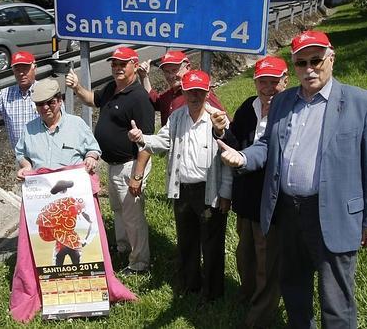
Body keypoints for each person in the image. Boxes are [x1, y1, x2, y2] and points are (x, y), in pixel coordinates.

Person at [218, 31, 367, 328]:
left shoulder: (362, 103)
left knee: (336, 299)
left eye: (316, 60)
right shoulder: (283, 101)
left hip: (332, 213)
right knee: (294, 288)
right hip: (287, 212)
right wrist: (243, 158)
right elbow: (267, 144)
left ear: (331, 59)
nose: (309, 68)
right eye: (301, 62)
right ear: (294, 66)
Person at [9, 77, 136, 322]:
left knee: (81, 247)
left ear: (60, 101)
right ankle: (49, 291)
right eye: (39, 105)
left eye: (49, 103)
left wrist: (90, 158)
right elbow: (22, 156)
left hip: (74, 199)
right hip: (43, 201)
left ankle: (87, 291)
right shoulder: (29, 129)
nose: (45, 108)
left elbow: (93, 149)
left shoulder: (77, 124)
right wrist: (24, 168)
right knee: (45, 247)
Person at [128, 70, 232, 300]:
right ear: (183, 92)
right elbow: (161, 142)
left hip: (209, 190)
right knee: (186, 241)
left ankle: (213, 293)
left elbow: (227, 159)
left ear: (208, 92)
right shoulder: (177, 117)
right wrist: (142, 138)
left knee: (212, 244)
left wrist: (225, 192)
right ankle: (189, 285)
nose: (195, 96)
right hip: (183, 190)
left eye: (200, 91)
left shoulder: (217, 118)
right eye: (190, 91)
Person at [212, 56, 289, 328]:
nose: (268, 87)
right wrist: (221, 131)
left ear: (285, 81)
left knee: (267, 261)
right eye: (262, 82)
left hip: (273, 200)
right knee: (245, 255)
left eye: (274, 81)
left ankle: (260, 316)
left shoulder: (291, 109)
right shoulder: (249, 106)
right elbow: (235, 144)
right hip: (245, 198)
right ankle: (247, 294)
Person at [65, 47, 155, 275]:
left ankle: (139, 263)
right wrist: (76, 87)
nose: (117, 68)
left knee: (133, 217)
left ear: (134, 64)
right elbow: (92, 100)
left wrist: (137, 176)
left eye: (122, 64)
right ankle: (123, 248)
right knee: (118, 211)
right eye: (114, 64)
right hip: (113, 164)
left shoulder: (138, 97)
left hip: (130, 164)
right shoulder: (112, 88)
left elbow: (147, 143)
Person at [138, 50, 226, 126]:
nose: (171, 76)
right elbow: (154, 101)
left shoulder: (199, 92)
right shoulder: (171, 93)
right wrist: (144, 77)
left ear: (187, 67)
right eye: (167, 72)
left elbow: (222, 119)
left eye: (174, 70)